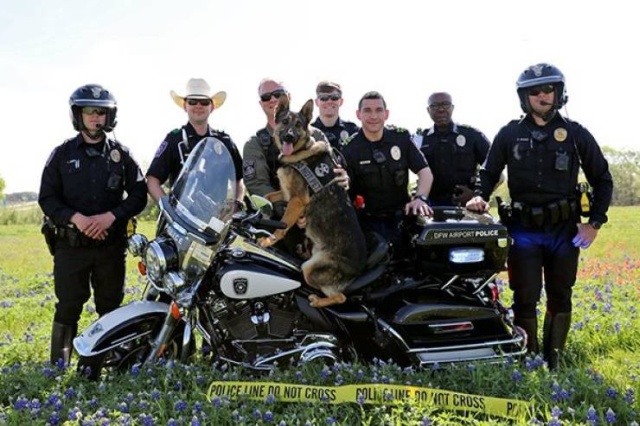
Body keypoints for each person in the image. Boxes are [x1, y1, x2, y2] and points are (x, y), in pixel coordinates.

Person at [466, 63, 613, 369]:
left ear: (559, 93)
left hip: (564, 231)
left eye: (548, 89)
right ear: (524, 97)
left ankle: (555, 359)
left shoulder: (575, 134)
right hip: (523, 230)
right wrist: (479, 194)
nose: (542, 95)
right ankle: (529, 359)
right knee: (525, 296)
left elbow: (602, 178)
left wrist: (595, 223)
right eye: (535, 91)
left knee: (561, 294)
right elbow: (489, 172)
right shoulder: (509, 133)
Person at [38, 84, 148, 366]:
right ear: (78, 115)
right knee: (69, 305)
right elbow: (47, 198)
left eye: (101, 112)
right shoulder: (61, 154)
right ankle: (58, 366)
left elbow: (139, 194)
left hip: (109, 246)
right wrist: (77, 218)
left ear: (109, 117)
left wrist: (111, 216)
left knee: (109, 306)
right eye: (89, 112)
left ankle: (104, 361)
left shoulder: (122, 155)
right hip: (70, 246)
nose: (95, 118)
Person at [242, 78, 348, 258]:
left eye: (278, 94)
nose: (273, 99)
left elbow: (329, 174)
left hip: (317, 222)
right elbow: (257, 186)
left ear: (288, 97)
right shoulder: (255, 143)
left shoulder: (316, 136)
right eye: (267, 96)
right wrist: (290, 211)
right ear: (261, 103)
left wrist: (344, 178)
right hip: (277, 221)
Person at [342, 91, 434, 254]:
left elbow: (425, 172)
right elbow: (344, 191)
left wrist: (420, 198)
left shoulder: (401, 138)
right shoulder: (350, 149)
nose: (373, 116)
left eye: (378, 110)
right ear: (359, 114)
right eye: (367, 110)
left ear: (386, 114)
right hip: (369, 223)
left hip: (403, 218)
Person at [147, 78, 243, 203]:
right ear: (185, 106)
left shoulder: (224, 141)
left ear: (212, 106)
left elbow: (239, 179)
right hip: (182, 219)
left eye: (204, 102)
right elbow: (152, 180)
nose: (198, 106)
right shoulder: (174, 140)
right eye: (192, 101)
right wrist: (168, 208)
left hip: (218, 220)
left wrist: (237, 205)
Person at [412, 92, 491, 206]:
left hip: (467, 205)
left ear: (452, 108)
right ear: (428, 110)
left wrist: (476, 194)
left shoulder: (472, 135)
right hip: (429, 205)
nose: (441, 109)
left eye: (446, 104)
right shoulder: (420, 138)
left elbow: (494, 171)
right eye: (434, 106)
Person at [311, 81, 359, 150]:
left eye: (334, 97)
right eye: (323, 98)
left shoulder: (352, 130)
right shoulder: (309, 131)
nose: (329, 101)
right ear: (316, 102)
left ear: (341, 101)